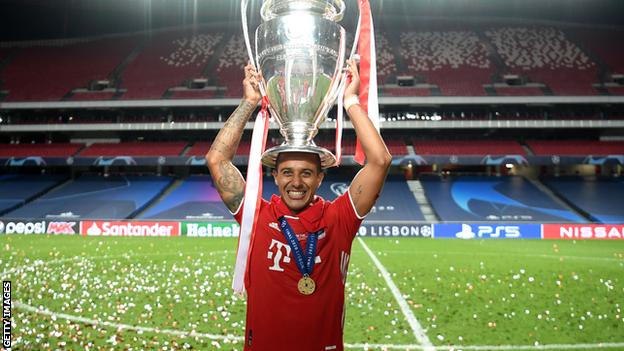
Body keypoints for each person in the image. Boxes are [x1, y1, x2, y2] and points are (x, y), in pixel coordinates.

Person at [206, 60, 391, 351]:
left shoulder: (338, 217)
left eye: (306, 173)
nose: (296, 182)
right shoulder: (256, 214)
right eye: (288, 172)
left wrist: (351, 101)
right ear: (275, 176)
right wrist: (248, 102)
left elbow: (380, 160)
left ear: (319, 178)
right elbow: (217, 161)